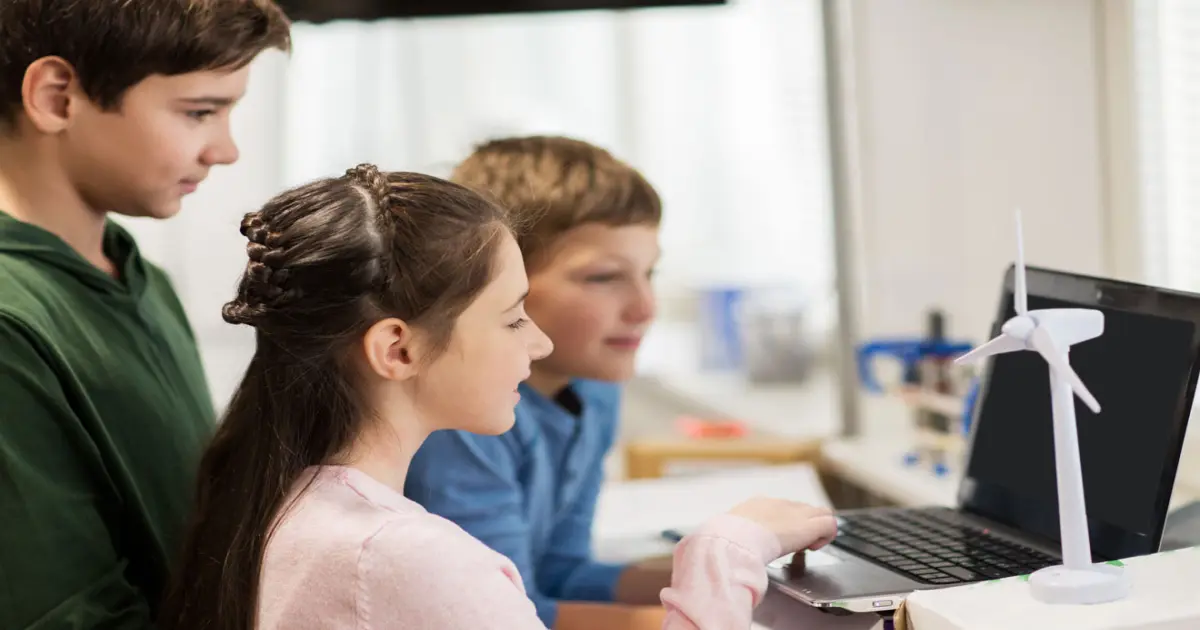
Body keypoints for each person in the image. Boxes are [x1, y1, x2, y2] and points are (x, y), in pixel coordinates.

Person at [158, 164, 838, 630]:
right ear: (398, 350)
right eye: (513, 317)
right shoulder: (405, 555)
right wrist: (723, 551)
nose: (537, 344)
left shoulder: (302, 508)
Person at [0, 1, 291, 627]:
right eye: (199, 112)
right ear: (56, 98)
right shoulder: (9, 320)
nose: (226, 150)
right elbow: (59, 614)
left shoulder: (140, 278)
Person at [405, 136, 664, 626]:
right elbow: (504, 614)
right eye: (605, 277)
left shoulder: (597, 390)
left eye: (651, 273)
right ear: (501, 282)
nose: (646, 308)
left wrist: (744, 574)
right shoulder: (463, 420)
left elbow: (558, 573)